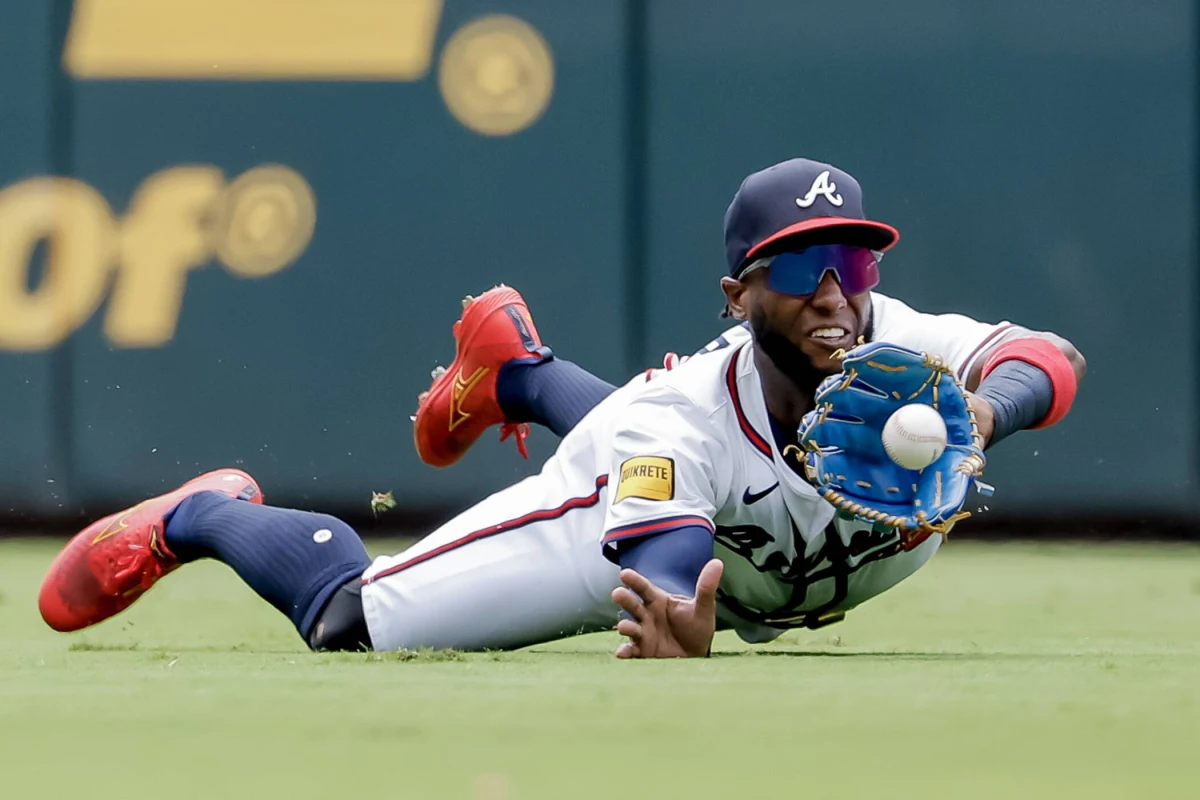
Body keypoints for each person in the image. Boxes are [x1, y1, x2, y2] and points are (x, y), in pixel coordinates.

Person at [38, 158, 1086, 658]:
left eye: (851, 262)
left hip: (744, 534)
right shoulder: (676, 426)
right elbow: (664, 574)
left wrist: (987, 413)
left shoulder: (905, 345)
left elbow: (1050, 358)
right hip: (605, 529)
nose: (833, 294)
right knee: (355, 623)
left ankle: (519, 372)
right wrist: (674, 622)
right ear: (737, 296)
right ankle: (205, 514)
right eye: (800, 267)